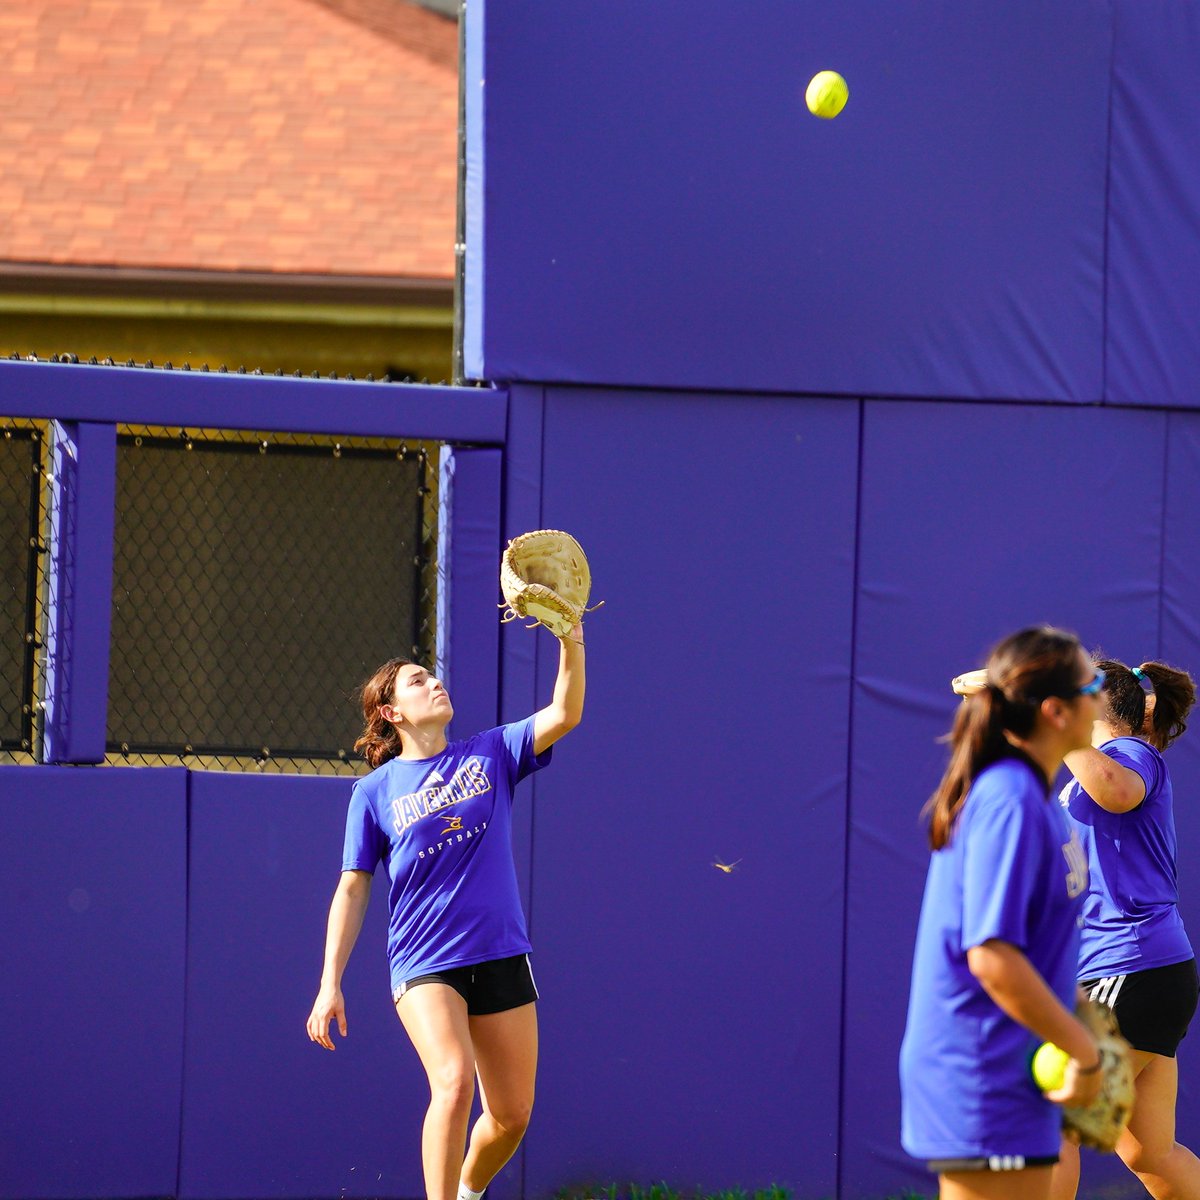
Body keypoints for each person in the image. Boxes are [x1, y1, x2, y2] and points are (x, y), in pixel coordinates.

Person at [305, 621, 586, 1200]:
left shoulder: (490, 752)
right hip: (425, 960)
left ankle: (466, 1191)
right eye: (417, 681)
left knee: (511, 1116)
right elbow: (353, 888)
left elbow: (565, 712)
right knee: (454, 1084)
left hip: (502, 952)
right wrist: (330, 982)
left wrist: (570, 636)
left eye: (432, 676)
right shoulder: (375, 792)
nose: (434, 683)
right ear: (391, 714)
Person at [900, 625, 1106, 1200]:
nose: (1103, 699)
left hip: (1015, 1065)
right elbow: (990, 956)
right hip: (982, 1069)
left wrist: (1078, 1011)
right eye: (1095, 686)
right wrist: (1083, 1052)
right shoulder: (1009, 798)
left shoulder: (1036, 797)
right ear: (1056, 711)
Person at [1051, 657, 1200, 1200]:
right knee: (1149, 1150)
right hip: (1144, 971)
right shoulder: (1082, 770)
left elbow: (1117, 792)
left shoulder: (1129, 754)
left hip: (1131, 970)